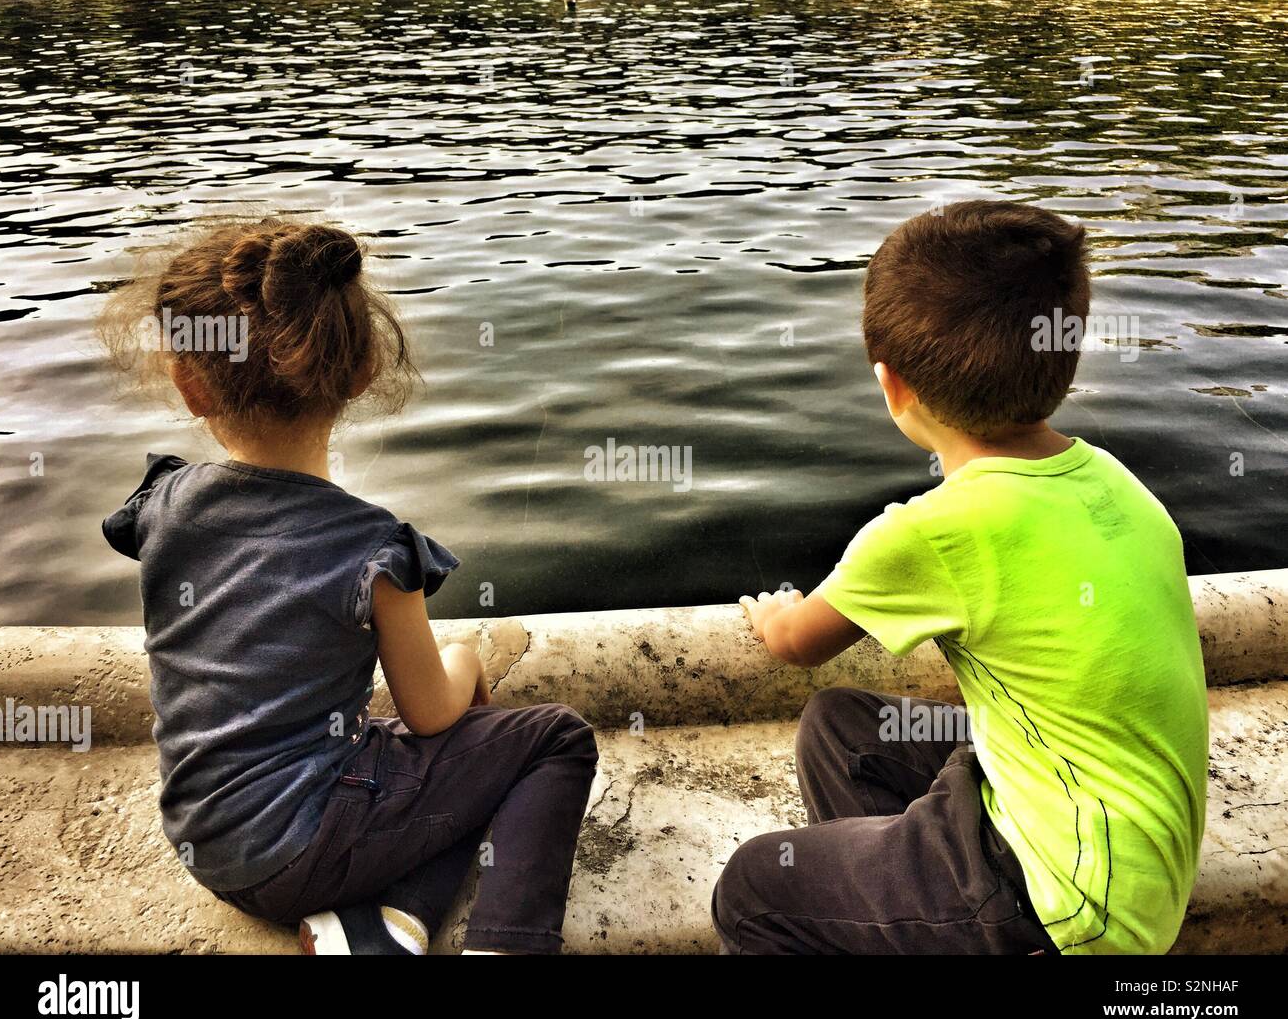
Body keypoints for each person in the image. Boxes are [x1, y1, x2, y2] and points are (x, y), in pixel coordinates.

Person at [715, 201, 1208, 955]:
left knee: (753, 886)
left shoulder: (932, 531)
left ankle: (939, 916)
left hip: (1064, 902)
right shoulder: (1116, 481)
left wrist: (769, 612)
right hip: (1129, 855)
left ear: (892, 385)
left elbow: (795, 641)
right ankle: (899, 923)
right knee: (841, 728)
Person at [99, 218, 597, 955]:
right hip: (305, 851)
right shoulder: (375, 550)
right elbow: (430, 713)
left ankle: (387, 927)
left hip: (205, 842)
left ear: (189, 384)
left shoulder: (162, 507)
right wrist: (466, 658)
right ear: (361, 372)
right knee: (551, 739)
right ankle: (511, 942)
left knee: (435, 775)